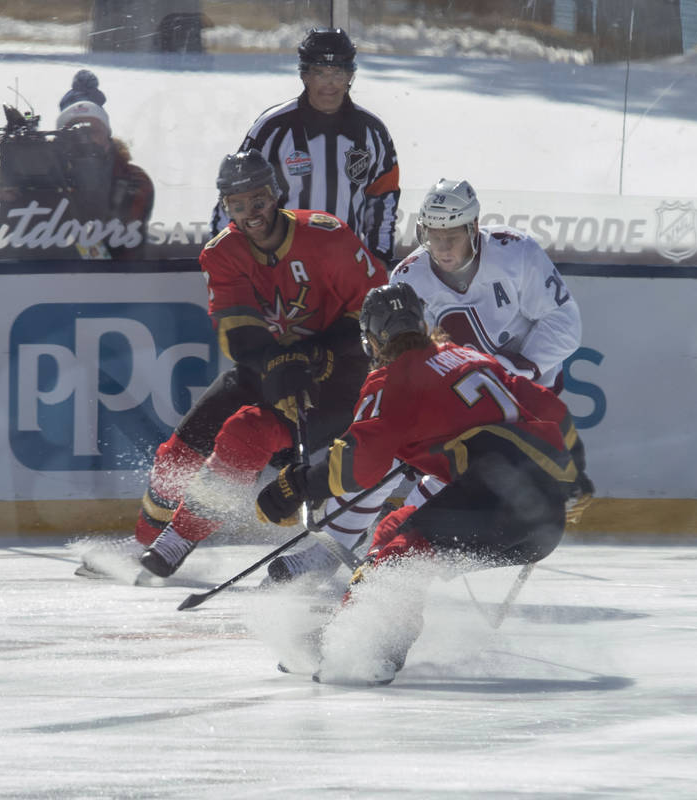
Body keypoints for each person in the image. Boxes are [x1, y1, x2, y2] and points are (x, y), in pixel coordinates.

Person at [255, 282, 589, 685]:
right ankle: (352, 633)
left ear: (372, 341)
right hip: (542, 522)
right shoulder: (468, 356)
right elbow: (552, 409)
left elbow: (358, 466)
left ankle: (367, 650)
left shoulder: (390, 381)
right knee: (398, 531)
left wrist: (295, 485)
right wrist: (576, 476)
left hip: (497, 502)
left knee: (403, 551)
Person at [76, 149, 386, 579]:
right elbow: (239, 331)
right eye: (236, 204)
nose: (249, 213)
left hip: (339, 373)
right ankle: (145, 544)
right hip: (269, 367)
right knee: (177, 454)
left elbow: (373, 309)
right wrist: (276, 365)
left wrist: (319, 352)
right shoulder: (222, 253)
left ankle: (186, 539)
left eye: (257, 200)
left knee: (249, 437)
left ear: (275, 195)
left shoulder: (327, 236)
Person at [265, 177, 592, 583]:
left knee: (444, 474)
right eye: (432, 236)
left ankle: (396, 552)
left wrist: (517, 368)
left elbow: (565, 323)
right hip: (459, 390)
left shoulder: (516, 252)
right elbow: (408, 354)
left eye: (452, 236)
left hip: (517, 396)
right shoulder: (411, 277)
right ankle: (336, 547)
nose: (441, 248)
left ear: (474, 229)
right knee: (389, 446)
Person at [210, 27, 400, 267]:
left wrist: (379, 257)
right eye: (320, 72)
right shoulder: (271, 128)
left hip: (346, 270)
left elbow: (384, 199)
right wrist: (225, 260)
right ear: (304, 75)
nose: (329, 84)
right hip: (279, 269)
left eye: (338, 73)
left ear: (350, 76)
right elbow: (233, 196)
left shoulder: (373, 132)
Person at [0, 74, 154, 261]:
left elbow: (115, 256)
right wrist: (12, 199)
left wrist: (82, 191)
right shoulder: (44, 175)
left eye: (92, 131)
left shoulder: (130, 179)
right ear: (60, 140)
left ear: (108, 138)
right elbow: (7, 258)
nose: (84, 140)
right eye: (74, 132)